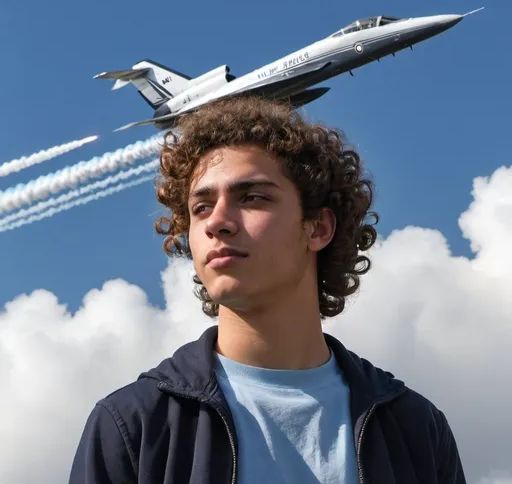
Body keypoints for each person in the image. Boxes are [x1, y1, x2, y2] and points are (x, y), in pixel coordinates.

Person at [70, 96, 466, 483]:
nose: (218, 222)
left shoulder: (415, 429)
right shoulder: (133, 425)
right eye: (201, 207)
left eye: (253, 198)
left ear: (318, 228)